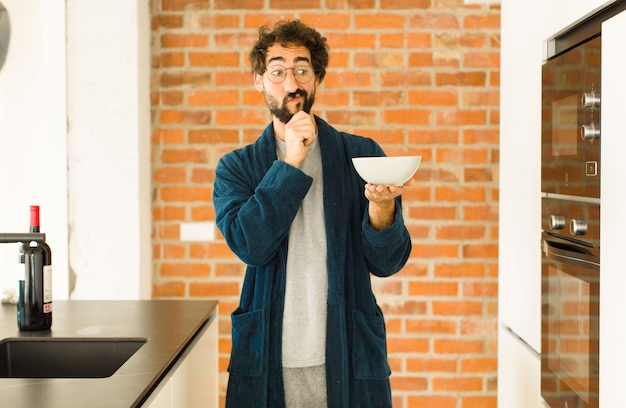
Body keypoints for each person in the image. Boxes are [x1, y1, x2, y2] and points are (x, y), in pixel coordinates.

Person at [213, 19, 412, 408]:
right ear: (259, 80)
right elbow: (251, 245)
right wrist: (292, 161)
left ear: (317, 78)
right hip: (269, 354)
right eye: (277, 71)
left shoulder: (362, 155)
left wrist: (382, 208)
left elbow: (387, 262)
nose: (291, 83)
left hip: (347, 352)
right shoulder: (236, 168)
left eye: (302, 70)